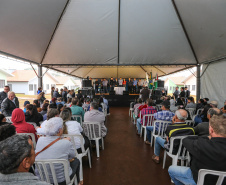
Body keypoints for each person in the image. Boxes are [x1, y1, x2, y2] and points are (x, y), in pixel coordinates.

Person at [168, 114, 226, 185]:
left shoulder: (201, 144)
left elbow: (186, 140)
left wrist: (208, 137)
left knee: (171, 169)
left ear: (211, 130)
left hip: (198, 180)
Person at [35, 117, 82, 185]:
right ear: (60, 130)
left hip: (42, 179)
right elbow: (72, 156)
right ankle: (78, 182)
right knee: (76, 161)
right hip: (61, 180)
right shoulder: (66, 142)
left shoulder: (40, 140)